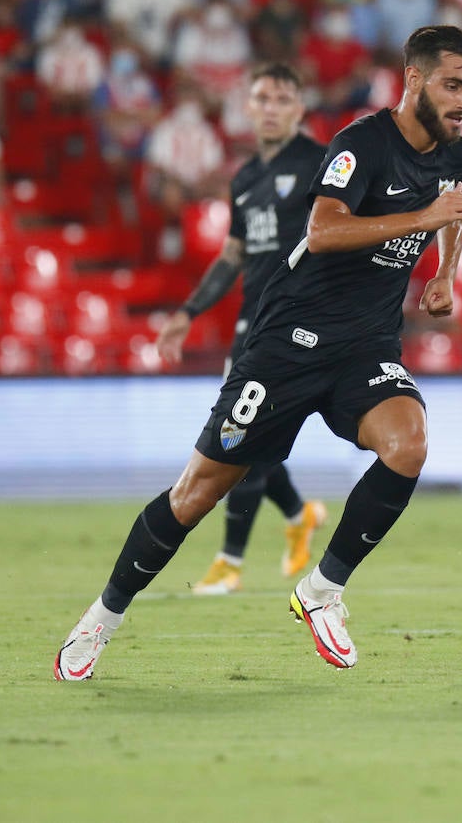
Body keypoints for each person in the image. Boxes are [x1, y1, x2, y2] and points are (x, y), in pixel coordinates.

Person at [54, 26, 462, 680]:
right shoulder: (361, 144)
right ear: (415, 80)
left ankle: (323, 590)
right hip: (290, 343)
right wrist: (421, 221)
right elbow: (324, 228)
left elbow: (457, 207)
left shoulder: (461, 156)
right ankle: (100, 620)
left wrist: (445, 273)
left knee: (410, 443)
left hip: (365, 346)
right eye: (453, 85)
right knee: (194, 495)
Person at [153, 63, 331, 597]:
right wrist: (188, 311)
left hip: (297, 322)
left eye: (282, 98)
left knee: (238, 435)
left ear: (300, 108)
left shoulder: (319, 164)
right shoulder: (245, 178)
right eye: (262, 98)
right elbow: (233, 254)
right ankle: (299, 515)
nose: (271, 107)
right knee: (249, 438)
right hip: (251, 323)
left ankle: (231, 560)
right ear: (247, 109)